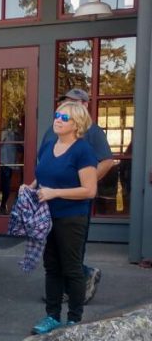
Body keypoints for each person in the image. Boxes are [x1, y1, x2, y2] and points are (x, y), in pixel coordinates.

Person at [38, 88, 114, 303]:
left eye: (72, 102)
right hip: (49, 206)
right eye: (63, 102)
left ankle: (76, 291)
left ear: (84, 105)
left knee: (71, 253)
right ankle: (60, 293)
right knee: (53, 256)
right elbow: (44, 161)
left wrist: (83, 180)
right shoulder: (52, 131)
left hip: (74, 205)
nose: (64, 109)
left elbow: (107, 161)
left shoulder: (92, 131)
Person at [31, 102, 99, 335]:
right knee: (51, 267)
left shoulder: (83, 150)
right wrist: (30, 187)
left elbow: (89, 190)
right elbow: (42, 176)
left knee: (72, 268)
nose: (58, 120)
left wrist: (55, 193)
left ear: (77, 124)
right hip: (46, 217)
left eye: (64, 117)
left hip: (71, 218)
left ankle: (73, 320)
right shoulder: (48, 146)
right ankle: (52, 316)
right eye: (57, 115)